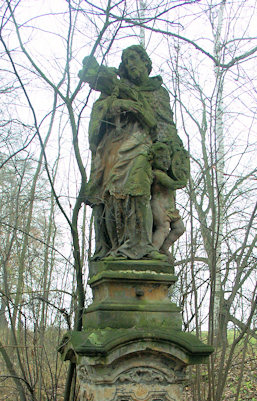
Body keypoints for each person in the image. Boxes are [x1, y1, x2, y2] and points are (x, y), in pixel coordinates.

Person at [79, 45, 189, 260]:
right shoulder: (115, 89)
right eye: (126, 60)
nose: (131, 64)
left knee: (139, 190)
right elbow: (100, 114)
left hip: (145, 151)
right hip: (115, 150)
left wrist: (173, 155)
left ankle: (142, 245)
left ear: (146, 63)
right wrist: (115, 106)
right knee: (110, 195)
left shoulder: (158, 92)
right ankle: (117, 245)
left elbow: (165, 125)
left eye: (134, 58)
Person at [150, 142, 186, 262]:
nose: (165, 161)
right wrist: (181, 182)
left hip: (170, 208)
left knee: (180, 228)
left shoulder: (166, 173)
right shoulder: (157, 174)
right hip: (159, 206)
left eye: (167, 158)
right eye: (161, 158)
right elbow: (171, 184)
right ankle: (153, 250)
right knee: (163, 228)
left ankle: (164, 248)